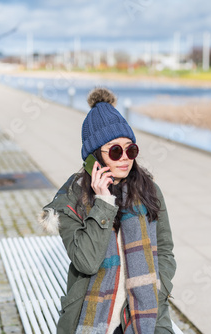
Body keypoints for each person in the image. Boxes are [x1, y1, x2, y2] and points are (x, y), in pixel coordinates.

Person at [38, 87, 176, 334]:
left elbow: (165, 248)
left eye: (130, 149)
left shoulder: (149, 190)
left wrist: (159, 287)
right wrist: (103, 203)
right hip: (91, 316)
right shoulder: (70, 201)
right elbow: (87, 263)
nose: (125, 158)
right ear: (94, 157)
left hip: (146, 313)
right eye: (115, 150)